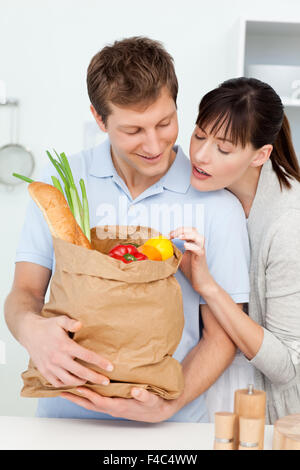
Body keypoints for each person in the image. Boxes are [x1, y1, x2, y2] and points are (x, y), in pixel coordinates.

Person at [4, 37, 250, 423]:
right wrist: (30, 329)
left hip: (171, 427)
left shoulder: (217, 202)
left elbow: (220, 337)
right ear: (99, 119)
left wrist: (168, 405)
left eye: (165, 123)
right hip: (66, 420)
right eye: (133, 130)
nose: (154, 144)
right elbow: (25, 292)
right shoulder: (63, 183)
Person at [170, 77, 300, 424]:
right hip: (209, 383)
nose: (199, 155)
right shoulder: (212, 188)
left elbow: (285, 367)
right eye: (199, 135)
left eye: (223, 149)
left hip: (270, 413)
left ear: (261, 155)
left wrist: (208, 286)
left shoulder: (288, 225)